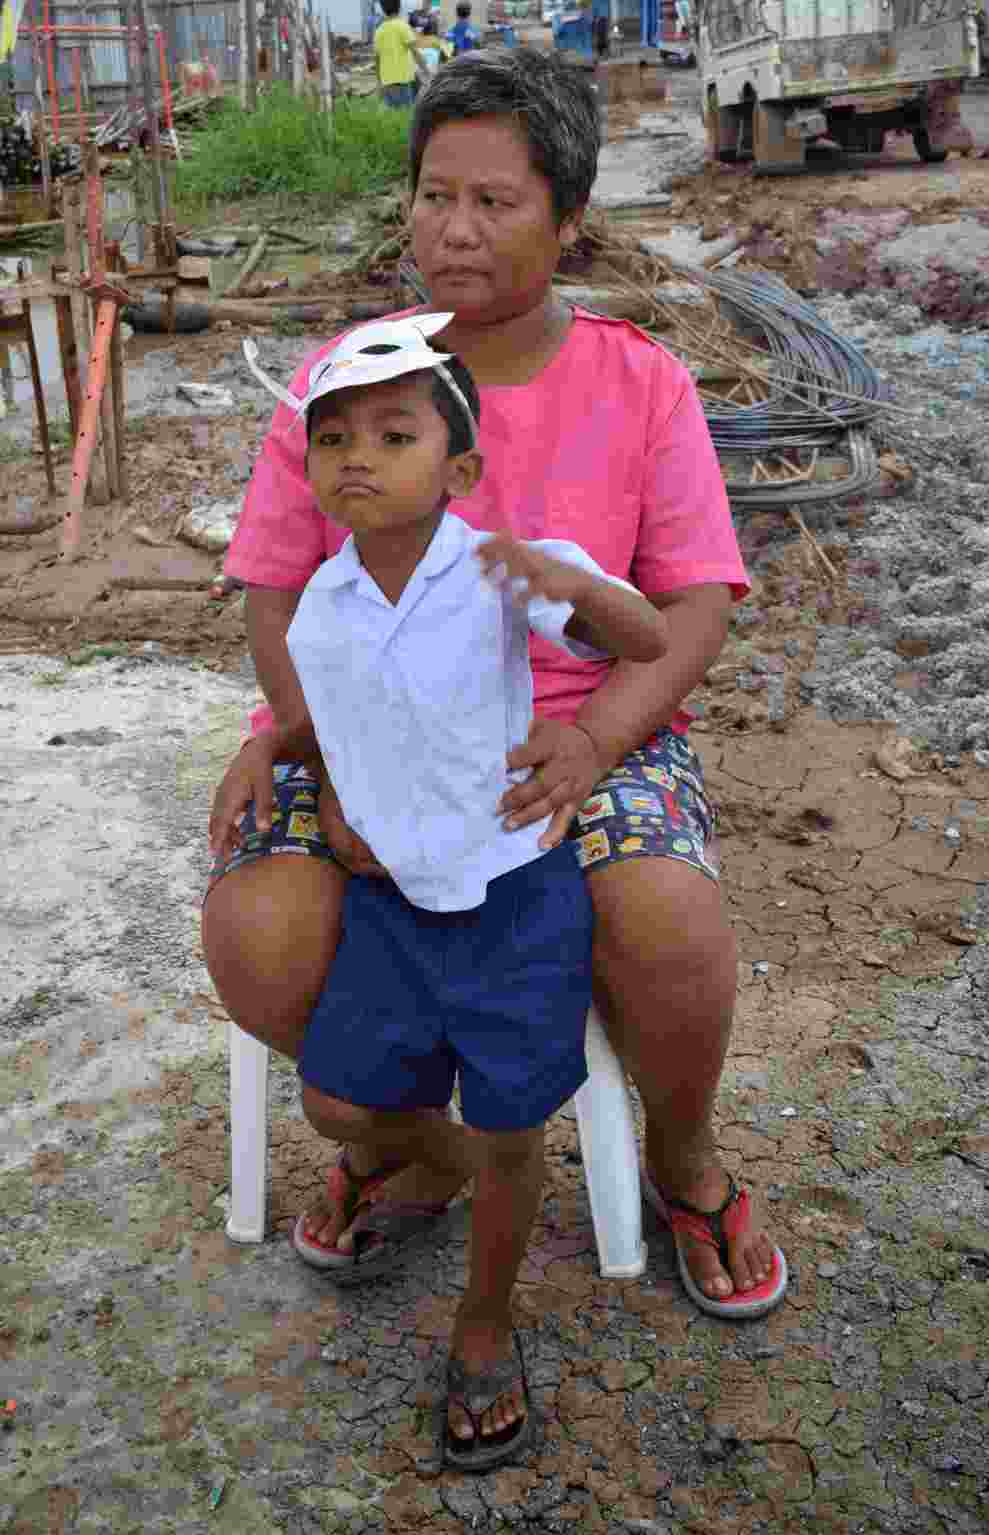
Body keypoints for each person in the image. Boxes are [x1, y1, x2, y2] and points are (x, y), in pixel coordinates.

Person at [204, 43, 787, 1449]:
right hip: (360, 723)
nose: (452, 229)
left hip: (579, 724)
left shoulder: (641, 383)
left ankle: (686, 1159)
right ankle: (416, 1143)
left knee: (667, 919)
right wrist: (332, 761)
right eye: (433, 195)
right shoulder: (345, 382)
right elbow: (277, 595)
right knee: (261, 935)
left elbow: (694, 606)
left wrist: (591, 742)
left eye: (494, 201)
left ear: (568, 217)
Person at [232, 312, 667, 1466]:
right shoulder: (323, 606)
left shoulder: (494, 568)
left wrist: (572, 578)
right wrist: (269, 749)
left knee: (512, 1115)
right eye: (333, 439)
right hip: (391, 903)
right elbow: (336, 721)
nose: (357, 458)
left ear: (459, 469)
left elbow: (643, 637)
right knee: (335, 1101)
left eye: (394, 434)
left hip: (513, 895)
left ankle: (484, 1318)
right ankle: (463, 1161)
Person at [373, 0, 426, 107]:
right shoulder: (403, 26)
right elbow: (415, 52)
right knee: (406, 112)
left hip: (387, 81)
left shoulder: (379, 31)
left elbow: (377, 59)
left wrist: (379, 81)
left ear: (383, 9)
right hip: (403, 79)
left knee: (393, 113)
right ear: (399, 7)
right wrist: (426, 71)